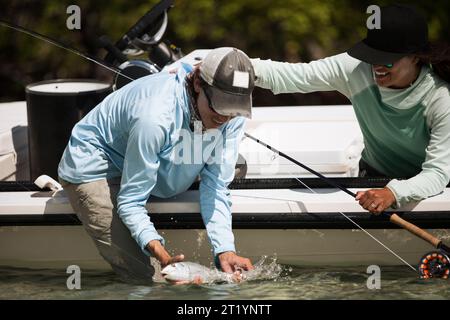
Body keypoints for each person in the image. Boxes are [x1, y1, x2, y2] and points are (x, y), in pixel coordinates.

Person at [58, 47, 255, 283]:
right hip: (96, 164)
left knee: (232, 167)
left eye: (232, 110)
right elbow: (131, 201)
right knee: (146, 277)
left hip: (150, 158)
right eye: (218, 107)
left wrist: (225, 250)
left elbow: (216, 185)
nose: (224, 118)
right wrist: (157, 249)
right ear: (198, 85)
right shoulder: (154, 117)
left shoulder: (232, 116)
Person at [251, 4, 450, 215]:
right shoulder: (355, 68)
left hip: (431, 191)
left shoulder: (442, 97)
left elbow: (437, 173)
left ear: (416, 56)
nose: (377, 67)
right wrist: (238, 66)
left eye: (387, 60)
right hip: (373, 180)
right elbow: (294, 76)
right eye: (371, 56)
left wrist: (392, 193)